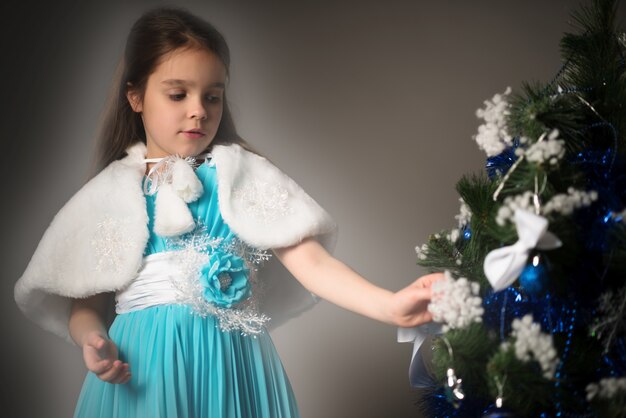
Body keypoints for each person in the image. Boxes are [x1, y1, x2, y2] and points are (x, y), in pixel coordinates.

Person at [14, 6, 442, 418]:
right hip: (145, 368)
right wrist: (93, 339)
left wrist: (391, 306)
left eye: (212, 96)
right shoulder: (111, 194)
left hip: (232, 368)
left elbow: (312, 263)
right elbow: (85, 303)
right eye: (178, 94)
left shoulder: (239, 176)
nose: (199, 109)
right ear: (136, 96)